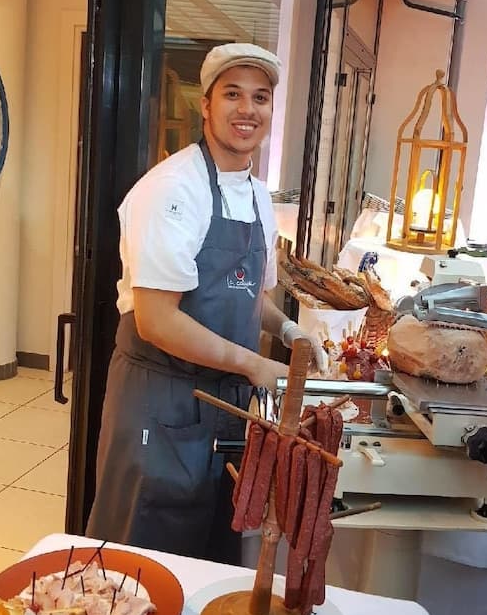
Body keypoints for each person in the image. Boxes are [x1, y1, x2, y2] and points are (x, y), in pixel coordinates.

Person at [86, 43, 326, 564]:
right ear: (206, 104)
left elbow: (251, 294)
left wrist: (289, 332)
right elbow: (156, 320)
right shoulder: (172, 189)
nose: (247, 109)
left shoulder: (258, 195)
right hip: (162, 401)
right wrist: (253, 364)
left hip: (226, 408)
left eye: (260, 97)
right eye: (232, 94)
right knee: (142, 560)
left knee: (211, 559)